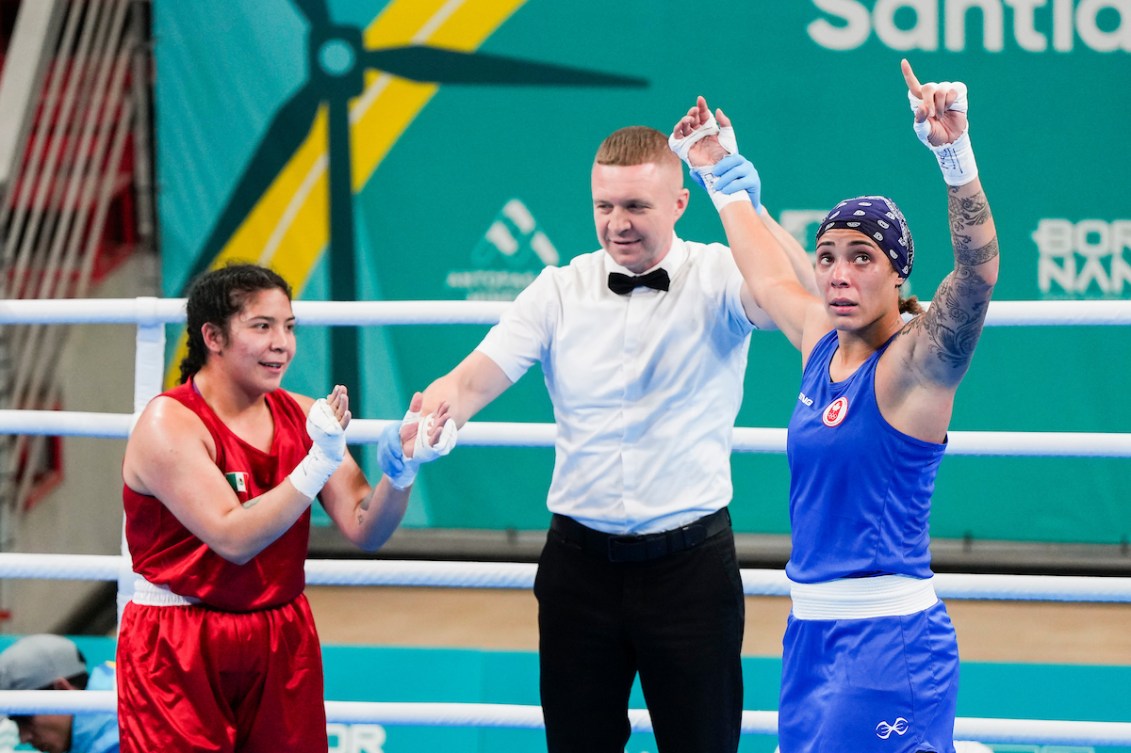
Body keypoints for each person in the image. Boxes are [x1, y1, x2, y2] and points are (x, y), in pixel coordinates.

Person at [414, 124, 812, 753]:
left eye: (636, 207)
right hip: (579, 572)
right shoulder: (557, 290)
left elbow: (807, 305)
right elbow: (466, 384)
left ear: (680, 203)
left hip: (691, 570)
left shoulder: (719, 274)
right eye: (605, 206)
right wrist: (427, 420)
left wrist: (753, 211)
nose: (618, 223)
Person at [670, 60, 998, 752]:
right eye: (825, 257)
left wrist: (952, 153)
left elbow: (976, 272)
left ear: (896, 270)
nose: (838, 273)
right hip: (809, 638)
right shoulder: (820, 341)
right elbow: (764, 272)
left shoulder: (916, 365)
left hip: (890, 650)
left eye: (860, 257)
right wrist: (720, 178)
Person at [117, 263, 455, 753]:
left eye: (289, 327)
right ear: (212, 336)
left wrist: (402, 471)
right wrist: (317, 463)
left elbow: (365, 527)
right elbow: (233, 537)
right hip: (179, 640)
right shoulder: (169, 424)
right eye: (262, 326)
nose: (283, 343)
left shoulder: (300, 413)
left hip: (280, 632)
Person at [0, 634, 117, 753]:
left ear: (63, 690)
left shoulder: (121, 740)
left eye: (25, 719)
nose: (23, 738)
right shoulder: (108, 730)